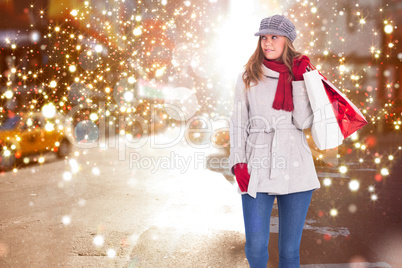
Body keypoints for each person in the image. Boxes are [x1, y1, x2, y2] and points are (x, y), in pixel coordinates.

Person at [228, 14, 321, 267]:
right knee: (256, 247)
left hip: (296, 166)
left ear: (287, 41)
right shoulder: (248, 76)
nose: (267, 43)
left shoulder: (304, 74)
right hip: (256, 164)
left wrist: (300, 81)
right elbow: (238, 122)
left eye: (274, 37)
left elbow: (303, 122)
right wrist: (238, 163)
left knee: (290, 251)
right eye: (263, 38)